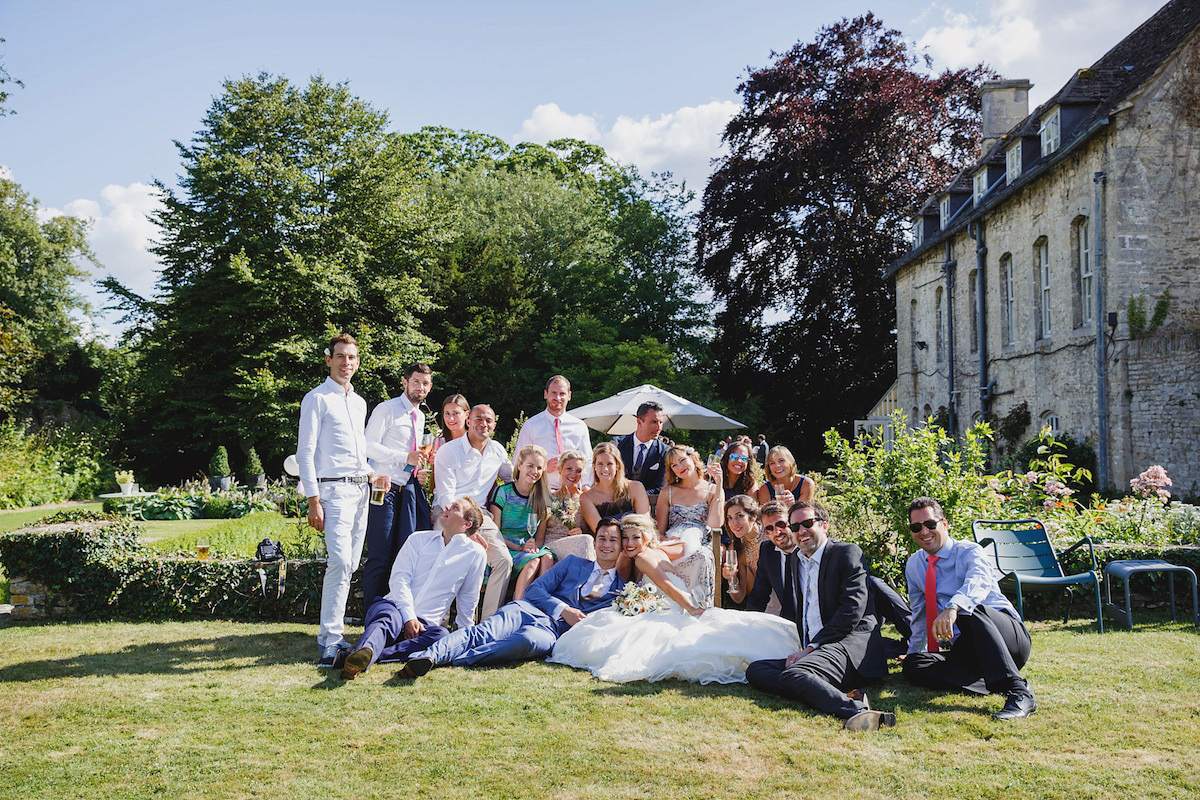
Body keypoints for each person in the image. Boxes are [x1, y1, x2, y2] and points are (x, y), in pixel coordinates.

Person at [549, 514, 799, 684]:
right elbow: (685, 545)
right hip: (669, 607)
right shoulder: (658, 550)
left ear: (646, 537)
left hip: (674, 608)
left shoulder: (644, 557)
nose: (629, 542)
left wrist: (693, 609)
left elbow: (667, 587)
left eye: (636, 537)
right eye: (625, 537)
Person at [397, 519, 627, 674]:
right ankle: (430, 656)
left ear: (621, 547)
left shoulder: (623, 590)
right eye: (602, 539)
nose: (606, 545)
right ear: (595, 542)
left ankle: (456, 658)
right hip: (527, 610)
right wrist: (563, 610)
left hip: (552, 632)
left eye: (613, 540)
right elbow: (534, 590)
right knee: (485, 631)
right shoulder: (573, 564)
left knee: (526, 642)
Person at [746, 501, 893, 732]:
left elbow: (851, 612)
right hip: (815, 651)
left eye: (807, 523)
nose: (801, 531)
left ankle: (858, 711)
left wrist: (812, 648)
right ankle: (822, 689)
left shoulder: (846, 553)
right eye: (795, 527)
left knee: (795, 674)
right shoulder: (796, 560)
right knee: (756, 670)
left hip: (847, 647)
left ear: (824, 525)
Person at [902, 497, 1036, 720]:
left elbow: (978, 583)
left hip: (1007, 638)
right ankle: (987, 682)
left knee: (969, 610)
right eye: (916, 527)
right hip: (969, 648)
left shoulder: (969, 551)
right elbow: (920, 615)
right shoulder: (915, 564)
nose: (924, 532)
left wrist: (953, 607)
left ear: (944, 524)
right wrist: (914, 651)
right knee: (914, 664)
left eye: (930, 525)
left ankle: (1019, 691)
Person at [338, 497, 488, 680]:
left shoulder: (475, 554)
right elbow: (399, 579)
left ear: (467, 524)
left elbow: (468, 597)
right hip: (393, 607)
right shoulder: (418, 539)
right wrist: (409, 617)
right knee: (386, 619)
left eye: (455, 507)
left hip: (426, 626)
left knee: (441, 635)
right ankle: (364, 651)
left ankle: (358, 657)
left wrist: (464, 638)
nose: (447, 507)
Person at [296, 333, 374, 666]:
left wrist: (372, 473)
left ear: (357, 362)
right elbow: (305, 452)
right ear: (329, 360)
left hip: (361, 491)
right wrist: (313, 499)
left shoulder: (359, 402)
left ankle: (334, 635)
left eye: (352, 358)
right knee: (340, 563)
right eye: (340, 357)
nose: (346, 363)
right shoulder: (316, 398)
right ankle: (330, 639)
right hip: (333, 492)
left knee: (351, 564)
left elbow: (357, 453)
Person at [361, 362, 434, 606]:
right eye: (416, 382)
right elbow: (368, 445)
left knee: (403, 556)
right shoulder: (387, 409)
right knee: (379, 555)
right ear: (404, 383)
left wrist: (416, 470)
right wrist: (405, 458)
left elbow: (412, 455)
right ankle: (371, 615)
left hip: (407, 492)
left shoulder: (420, 416)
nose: (420, 387)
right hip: (383, 488)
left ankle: (393, 613)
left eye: (425, 383)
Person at [433, 404, 514, 620]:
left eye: (488, 420)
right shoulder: (449, 451)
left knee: (504, 561)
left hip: (481, 515)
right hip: (448, 513)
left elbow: (514, 478)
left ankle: (488, 625)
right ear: (468, 421)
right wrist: (466, 531)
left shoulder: (497, 450)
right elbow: (445, 496)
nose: (483, 424)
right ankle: (437, 624)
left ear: (494, 425)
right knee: (444, 557)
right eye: (478, 419)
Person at [488, 444, 556, 600]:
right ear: (519, 465)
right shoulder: (503, 492)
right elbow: (495, 533)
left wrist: (532, 547)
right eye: (530, 466)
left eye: (539, 468)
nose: (535, 471)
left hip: (526, 549)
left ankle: (539, 602)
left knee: (547, 558)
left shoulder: (541, 499)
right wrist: (520, 547)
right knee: (533, 562)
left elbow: (539, 539)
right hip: (505, 547)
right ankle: (518, 605)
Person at [514, 375, 594, 490]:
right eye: (553, 393)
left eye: (562, 394)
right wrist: (544, 467)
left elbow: (588, 460)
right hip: (540, 491)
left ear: (569, 395)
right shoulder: (531, 426)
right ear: (545, 394)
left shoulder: (579, 427)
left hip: (571, 492)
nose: (558, 397)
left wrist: (586, 486)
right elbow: (518, 461)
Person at [580, 442, 651, 534]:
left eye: (609, 464)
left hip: (636, 539)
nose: (605, 469)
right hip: (608, 543)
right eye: (600, 464)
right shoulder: (587, 498)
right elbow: (600, 532)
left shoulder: (636, 488)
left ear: (617, 465)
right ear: (594, 466)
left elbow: (644, 524)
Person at [744, 500, 795, 618]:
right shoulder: (768, 551)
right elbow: (759, 595)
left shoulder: (807, 549)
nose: (777, 532)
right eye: (769, 529)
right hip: (787, 622)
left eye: (781, 524)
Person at [543, 449, 595, 561]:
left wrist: (581, 532)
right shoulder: (548, 497)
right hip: (552, 547)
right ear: (559, 469)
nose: (573, 474)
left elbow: (591, 532)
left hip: (579, 547)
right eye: (569, 469)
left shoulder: (585, 499)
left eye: (578, 471)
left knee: (585, 540)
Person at [612, 402, 669, 495]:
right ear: (639, 422)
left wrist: (637, 497)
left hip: (648, 505)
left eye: (661, 422)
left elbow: (660, 487)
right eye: (654, 422)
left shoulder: (664, 451)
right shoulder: (618, 445)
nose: (658, 427)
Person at [720, 494, 765, 608]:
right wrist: (731, 578)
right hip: (760, 604)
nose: (734, 523)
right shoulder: (736, 548)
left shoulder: (770, 535)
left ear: (753, 516)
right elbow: (739, 598)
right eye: (729, 518)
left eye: (739, 516)